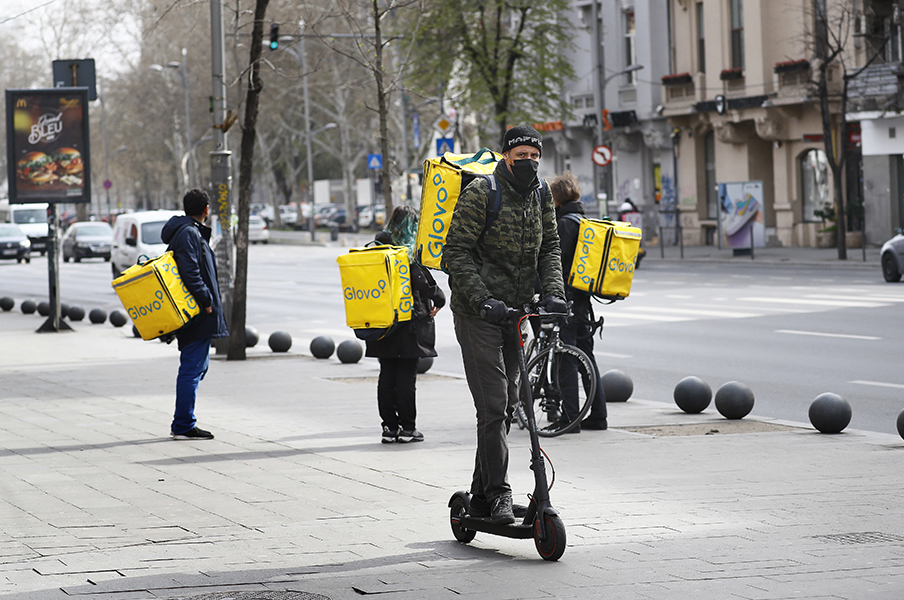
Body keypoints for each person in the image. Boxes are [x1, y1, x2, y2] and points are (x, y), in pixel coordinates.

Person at [443, 123, 566, 525]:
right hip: (478, 314)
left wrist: (554, 294)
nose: (529, 164)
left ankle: (479, 495)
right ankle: (498, 493)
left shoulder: (541, 194)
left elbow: (550, 247)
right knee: (494, 406)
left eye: (535, 157)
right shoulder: (483, 193)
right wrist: (483, 300)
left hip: (516, 313)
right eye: (521, 157)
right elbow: (454, 253)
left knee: (508, 404)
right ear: (505, 157)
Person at [366, 205, 445, 444]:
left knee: (386, 374)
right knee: (406, 377)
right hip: (408, 323)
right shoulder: (409, 252)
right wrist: (440, 297)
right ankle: (408, 428)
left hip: (382, 322)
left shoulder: (377, 248)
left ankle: (389, 428)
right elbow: (423, 284)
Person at [160, 189, 228, 440]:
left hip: (196, 311)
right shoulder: (189, 233)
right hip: (197, 312)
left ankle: (183, 421)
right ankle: (183, 425)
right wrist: (207, 300)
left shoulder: (187, 231)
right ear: (206, 209)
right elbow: (191, 271)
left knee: (198, 367)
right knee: (191, 368)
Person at [550, 171, 608, 431]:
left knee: (566, 359)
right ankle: (598, 416)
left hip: (568, 302)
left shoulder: (564, 224)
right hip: (584, 302)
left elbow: (556, 265)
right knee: (587, 358)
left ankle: (570, 419)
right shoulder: (584, 220)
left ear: (557, 199)